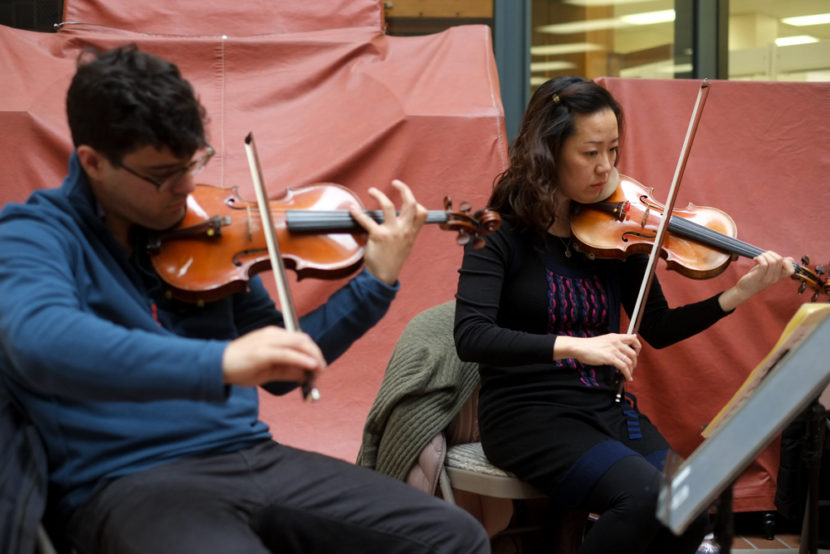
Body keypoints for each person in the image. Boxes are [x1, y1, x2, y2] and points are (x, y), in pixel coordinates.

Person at [0, 44, 490, 554]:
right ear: (93, 162)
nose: (185, 186)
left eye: (194, 161)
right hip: (127, 480)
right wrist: (221, 361)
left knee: (452, 537)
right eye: (163, 175)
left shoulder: (206, 231)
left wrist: (373, 284)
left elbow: (280, 369)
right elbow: (44, 342)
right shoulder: (34, 235)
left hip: (247, 455)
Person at [453, 75, 794, 554]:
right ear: (547, 151)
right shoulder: (497, 233)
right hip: (528, 415)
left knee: (691, 503)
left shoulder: (617, 231)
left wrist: (737, 293)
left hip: (602, 409)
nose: (606, 167)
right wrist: (576, 345)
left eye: (613, 151)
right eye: (590, 152)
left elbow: (656, 327)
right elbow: (471, 336)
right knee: (644, 498)